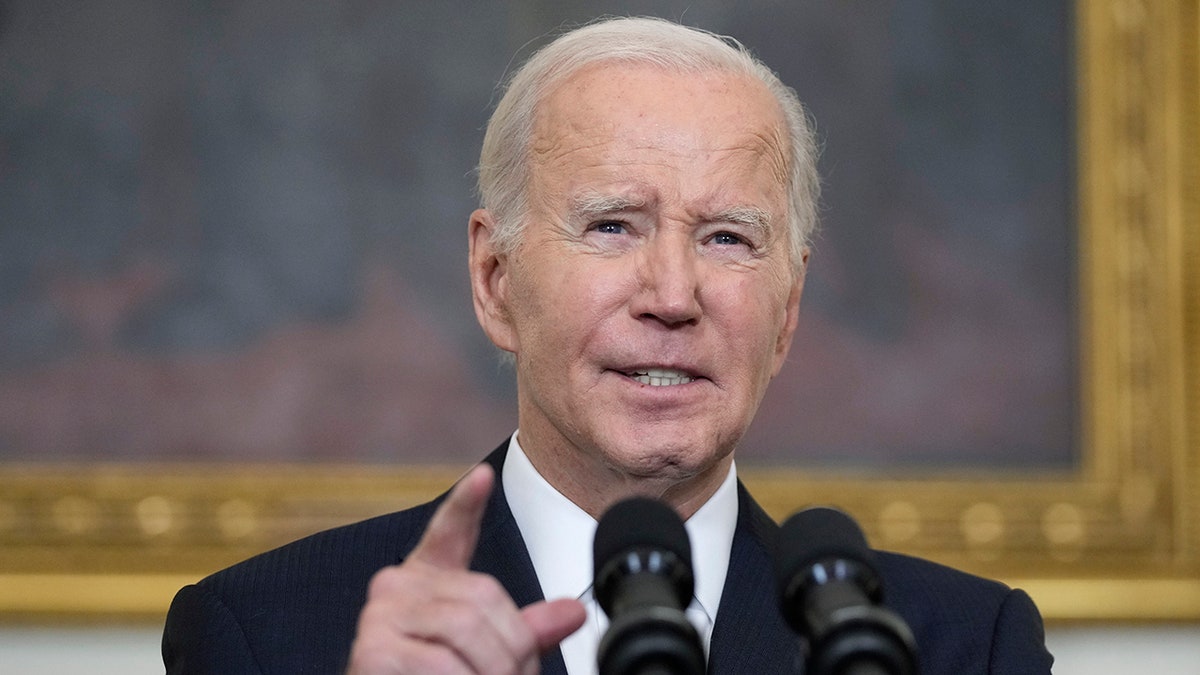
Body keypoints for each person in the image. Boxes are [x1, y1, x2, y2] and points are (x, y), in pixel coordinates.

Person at [162, 16, 1054, 675]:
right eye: (614, 225)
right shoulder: (269, 633)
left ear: (787, 312)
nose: (673, 296)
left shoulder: (959, 645)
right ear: (494, 278)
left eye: (729, 239)